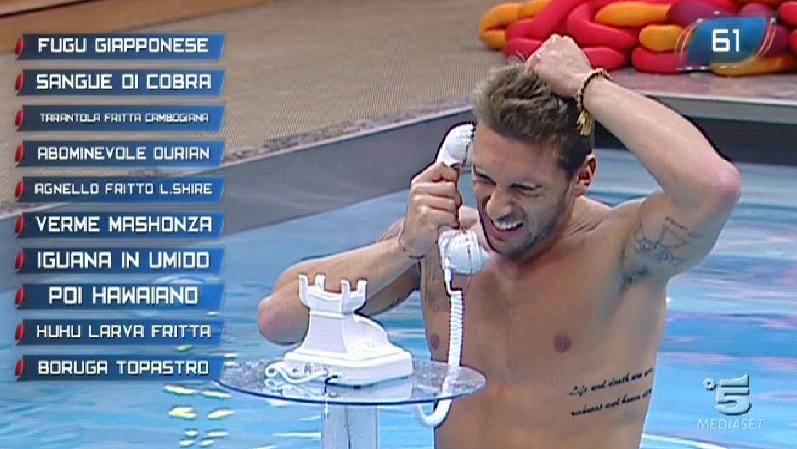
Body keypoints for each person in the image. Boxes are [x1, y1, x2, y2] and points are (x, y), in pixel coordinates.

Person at [258, 35, 741, 449]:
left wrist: (586, 83)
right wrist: (404, 246)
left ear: (582, 177)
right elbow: (279, 319)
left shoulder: (622, 254)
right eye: (484, 178)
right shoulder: (442, 249)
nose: (497, 207)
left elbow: (714, 186)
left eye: (525, 189)